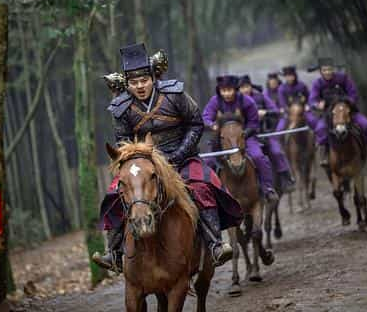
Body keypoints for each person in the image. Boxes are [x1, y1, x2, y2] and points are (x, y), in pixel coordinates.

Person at [93, 43, 242, 272]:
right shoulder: (121, 108)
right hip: (144, 162)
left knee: (202, 185)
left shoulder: (175, 94)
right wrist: (143, 160)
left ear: (153, 77)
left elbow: (195, 123)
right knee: (116, 192)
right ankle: (113, 253)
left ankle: (215, 244)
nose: (140, 86)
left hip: (182, 156)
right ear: (127, 84)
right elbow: (123, 143)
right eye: (134, 83)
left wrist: (180, 152)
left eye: (144, 80)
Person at [202, 75, 279, 202]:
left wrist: (244, 134)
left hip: (245, 137)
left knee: (258, 156)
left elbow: (254, 123)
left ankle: (267, 188)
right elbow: (206, 117)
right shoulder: (215, 101)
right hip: (222, 139)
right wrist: (212, 125)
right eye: (223, 90)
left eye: (229, 90)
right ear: (219, 90)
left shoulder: (247, 101)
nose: (226, 93)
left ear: (235, 89)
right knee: (209, 161)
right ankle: (208, 195)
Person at [309, 58, 367, 166]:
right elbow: (312, 100)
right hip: (329, 115)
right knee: (320, 129)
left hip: (348, 112)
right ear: (320, 71)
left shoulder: (343, 78)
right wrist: (317, 105)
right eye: (325, 70)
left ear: (333, 69)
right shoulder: (317, 83)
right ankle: (324, 156)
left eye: (330, 69)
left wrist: (348, 103)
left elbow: (353, 94)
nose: (327, 72)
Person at [238, 75, 295, 192]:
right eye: (242, 87)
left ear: (250, 86)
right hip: (245, 136)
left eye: (247, 86)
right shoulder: (235, 102)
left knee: (276, 151)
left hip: (264, 133)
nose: (245, 90)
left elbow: (276, 111)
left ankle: (286, 178)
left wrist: (266, 112)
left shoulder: (261, 97)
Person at [275, 65, 319, 132]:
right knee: (279, 129)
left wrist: (308, 105)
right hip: (288, 113)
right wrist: (289, 111)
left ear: (294, 76)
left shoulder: (302, 85)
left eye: (291, 76)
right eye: (287, 76)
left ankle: (318, 140)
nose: (289, 78)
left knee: (314, 122)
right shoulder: (282, 88)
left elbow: (309, 97)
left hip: (304, 111)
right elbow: (282, 103)